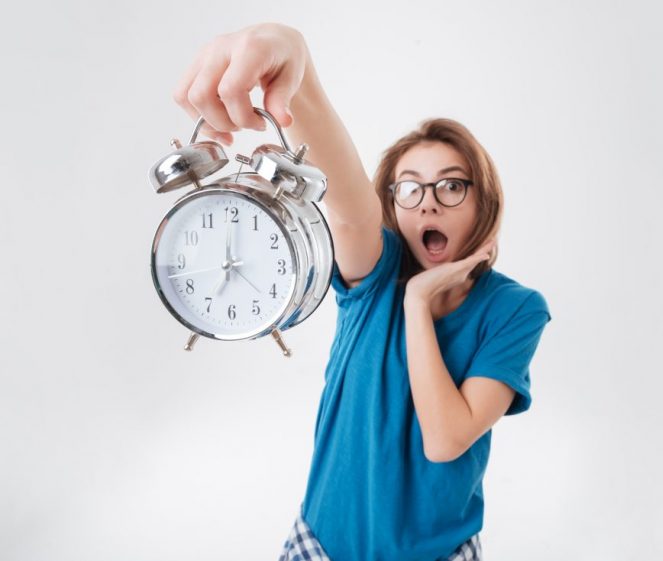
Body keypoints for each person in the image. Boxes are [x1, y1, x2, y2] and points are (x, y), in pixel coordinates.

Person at [173, 22, 552, 561]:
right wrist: (293, 60)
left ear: (482, 199)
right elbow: (348, 205)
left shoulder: (515, 309)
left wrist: (419, 302)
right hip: (321, 545)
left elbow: (446, 439)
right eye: (410, 187)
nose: (428, 203)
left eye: (451, 184)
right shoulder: (375, 271)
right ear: (394, 204)